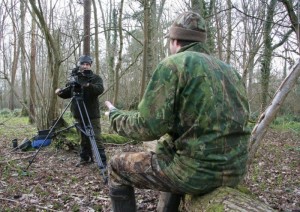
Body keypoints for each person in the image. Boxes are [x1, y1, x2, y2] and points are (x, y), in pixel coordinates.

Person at [105, 11, 250, 212]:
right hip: (235, 169)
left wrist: (115, 116)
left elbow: (146, 127)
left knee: (116, 166)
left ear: (174, 40)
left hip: (198, 173)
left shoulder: (174, 64)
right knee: (166, 149)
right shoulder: (230, 71)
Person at [55, 55, 107, 168]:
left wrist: (87, 85)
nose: (85, 66)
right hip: (78, 114)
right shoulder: (75, 78)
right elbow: (68, 92)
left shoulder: (95, 78)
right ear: (80, 65)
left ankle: (102, 162)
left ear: (90, 65)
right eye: (83, 64)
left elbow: (99, 89)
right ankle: (85, 158)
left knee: (96, 138)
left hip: (92, 115)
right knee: (83, 139)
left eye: (87, 64)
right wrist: (60, 92)